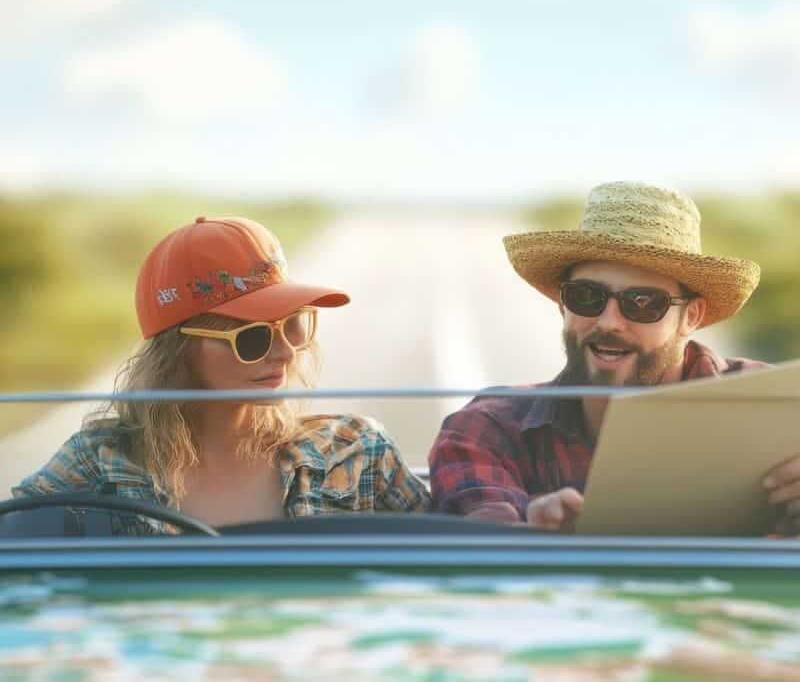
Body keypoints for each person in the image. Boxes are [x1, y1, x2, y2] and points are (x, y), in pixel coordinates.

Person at [14, 215, 430, 533]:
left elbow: (459, 576)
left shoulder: (356, 452)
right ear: (177, 353)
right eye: (253, 339)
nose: (285, 352)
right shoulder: (98, 463)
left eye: (294, 324)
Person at [429, 181, 800, 535]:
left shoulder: (781, 409)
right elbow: (486, 549)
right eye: (586, 296)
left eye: (642, 303)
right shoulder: (487, 429)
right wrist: (531, 533)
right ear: (563, 304)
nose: (608, 322)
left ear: (692, 316)